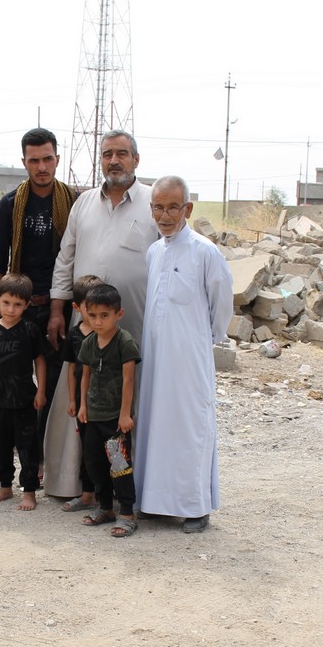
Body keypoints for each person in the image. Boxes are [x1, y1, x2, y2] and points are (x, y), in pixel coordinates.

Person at [42, 129, 159, 500]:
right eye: (107, 153)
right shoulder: (84, 203)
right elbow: (66, 258)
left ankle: (131, 492)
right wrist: (58, 309)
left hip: (136, 323)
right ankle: (77, 485)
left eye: (122, 153)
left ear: (136, 160)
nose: (114, 160)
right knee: (79, 398)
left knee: (129, 403)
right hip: (85, 326)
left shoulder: (152, 202)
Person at [0, 128, 78, 493]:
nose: (41, 167)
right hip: (16, 309)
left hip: (58, 307)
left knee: (50, 387)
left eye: (47, 159)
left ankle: (41, 460)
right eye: (34, 160)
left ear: (57, 158)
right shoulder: (11, 204)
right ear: (24, 161)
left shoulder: (73, 202)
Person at [133, 176, 234, 533]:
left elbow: (222, 306)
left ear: (187, 209)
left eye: (172, 207)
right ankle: (155, 502)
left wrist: (200, 340)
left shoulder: (205, 251)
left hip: (189, 357)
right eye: (158, 207)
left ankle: (194, 507)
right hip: (157, 355)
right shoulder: (154, 251)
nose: (164, 215)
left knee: (189, 426)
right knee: (155, 423)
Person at [75, 284, 142, 538]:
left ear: (119, 314)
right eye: (92, 315)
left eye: (105, 315)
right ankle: (105, 508)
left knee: (120, 465)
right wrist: (83, 405)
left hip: (115, 419)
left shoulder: (124, 342)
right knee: (94, 463)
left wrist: (125, 415)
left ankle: (126, 513)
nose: (98, 321)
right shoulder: (89, 343)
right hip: (92, 416)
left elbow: (128, 380)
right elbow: (85, 376)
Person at [0, 273, 48, 510]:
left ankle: (29, 492)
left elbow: (39, 361)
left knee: (28, 447)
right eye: (6, 302)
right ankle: (5, 487)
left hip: (25, 399)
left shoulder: (30, 330)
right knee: (0, 445)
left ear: (27, 305)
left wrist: (41, 391)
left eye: (18, 304)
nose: (11, 309)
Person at [59, 273, 104, 512]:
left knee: (108, 449)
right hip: (83, 404)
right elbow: (70, 370)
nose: (97, 316)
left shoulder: (109, 334)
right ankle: (88, 494)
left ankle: (109, 497)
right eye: (90, 309)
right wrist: (72, 400)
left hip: (106, 404)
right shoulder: (75, 335)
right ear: (77, 307)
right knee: (87, 448)